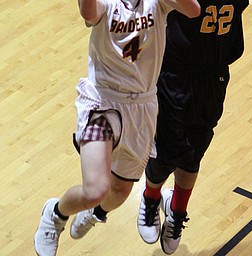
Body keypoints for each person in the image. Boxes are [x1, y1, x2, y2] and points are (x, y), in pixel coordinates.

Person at [33, 0, 200, 255]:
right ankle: (55, 215)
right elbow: (88, 13)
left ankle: (95, 212)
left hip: (142, 108)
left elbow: (193, 10)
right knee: (96, 188)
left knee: (119, 192)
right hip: (102, 102)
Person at [137, 0, 249, 254]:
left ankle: (177, 210)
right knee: (165, 150)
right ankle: (150, 199)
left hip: (214, 76)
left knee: (194, 151)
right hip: (174, 73)